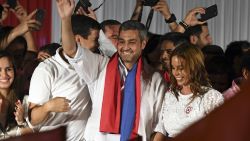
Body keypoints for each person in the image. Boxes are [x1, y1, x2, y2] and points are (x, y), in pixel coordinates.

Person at [58, 0, 166, 140]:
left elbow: (160, 126)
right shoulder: (100, 65)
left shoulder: (155, 78)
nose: (125, 47)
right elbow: (71, 50)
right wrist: (66, 19)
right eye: (121, 41)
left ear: (143, 44)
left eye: (132, 42)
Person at [27, 2, 104, 141]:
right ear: (78, 40)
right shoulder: (47, 69)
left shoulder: (95, 63)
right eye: (96, 40)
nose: (98, 45)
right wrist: (47, 107)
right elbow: (33, 119)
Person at [153, 43, 224, 140]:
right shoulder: (170, 96)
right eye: (173, 68)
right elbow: (160, 131)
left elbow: (220, 133)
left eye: (181, 68)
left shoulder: (211, 97)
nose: (176, 73)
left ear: (194, 67)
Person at [0, 50, 32, 139]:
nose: (4, 75)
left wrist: (21, 122)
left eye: (8, 69)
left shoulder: (24, 100)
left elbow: (31, 138)